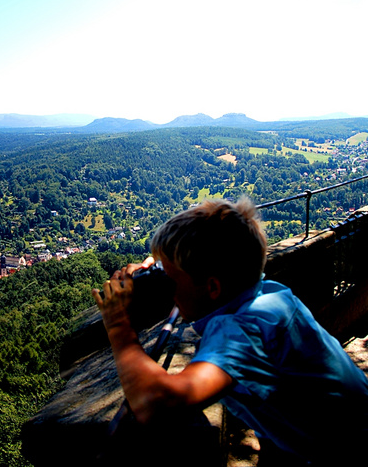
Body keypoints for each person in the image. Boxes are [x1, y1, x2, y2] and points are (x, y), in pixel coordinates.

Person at [94, 198, 368, 465]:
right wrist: (164, 276)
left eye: (170, 278)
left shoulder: (242, 330)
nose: (168, 286)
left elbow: (157, 405)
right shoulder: (269, 296)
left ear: (213, 287)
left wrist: (118, 323)